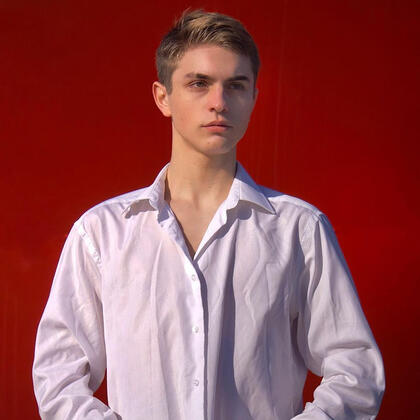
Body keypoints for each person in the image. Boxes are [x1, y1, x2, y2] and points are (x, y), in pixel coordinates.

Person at [33, 9, 385, 420]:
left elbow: (355, 371)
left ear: (253, 98)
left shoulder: (299, 231)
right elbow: (58, 377)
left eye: (235, 85)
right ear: (163, 97)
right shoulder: (101, 234)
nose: (219, 103)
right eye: (199, 83)